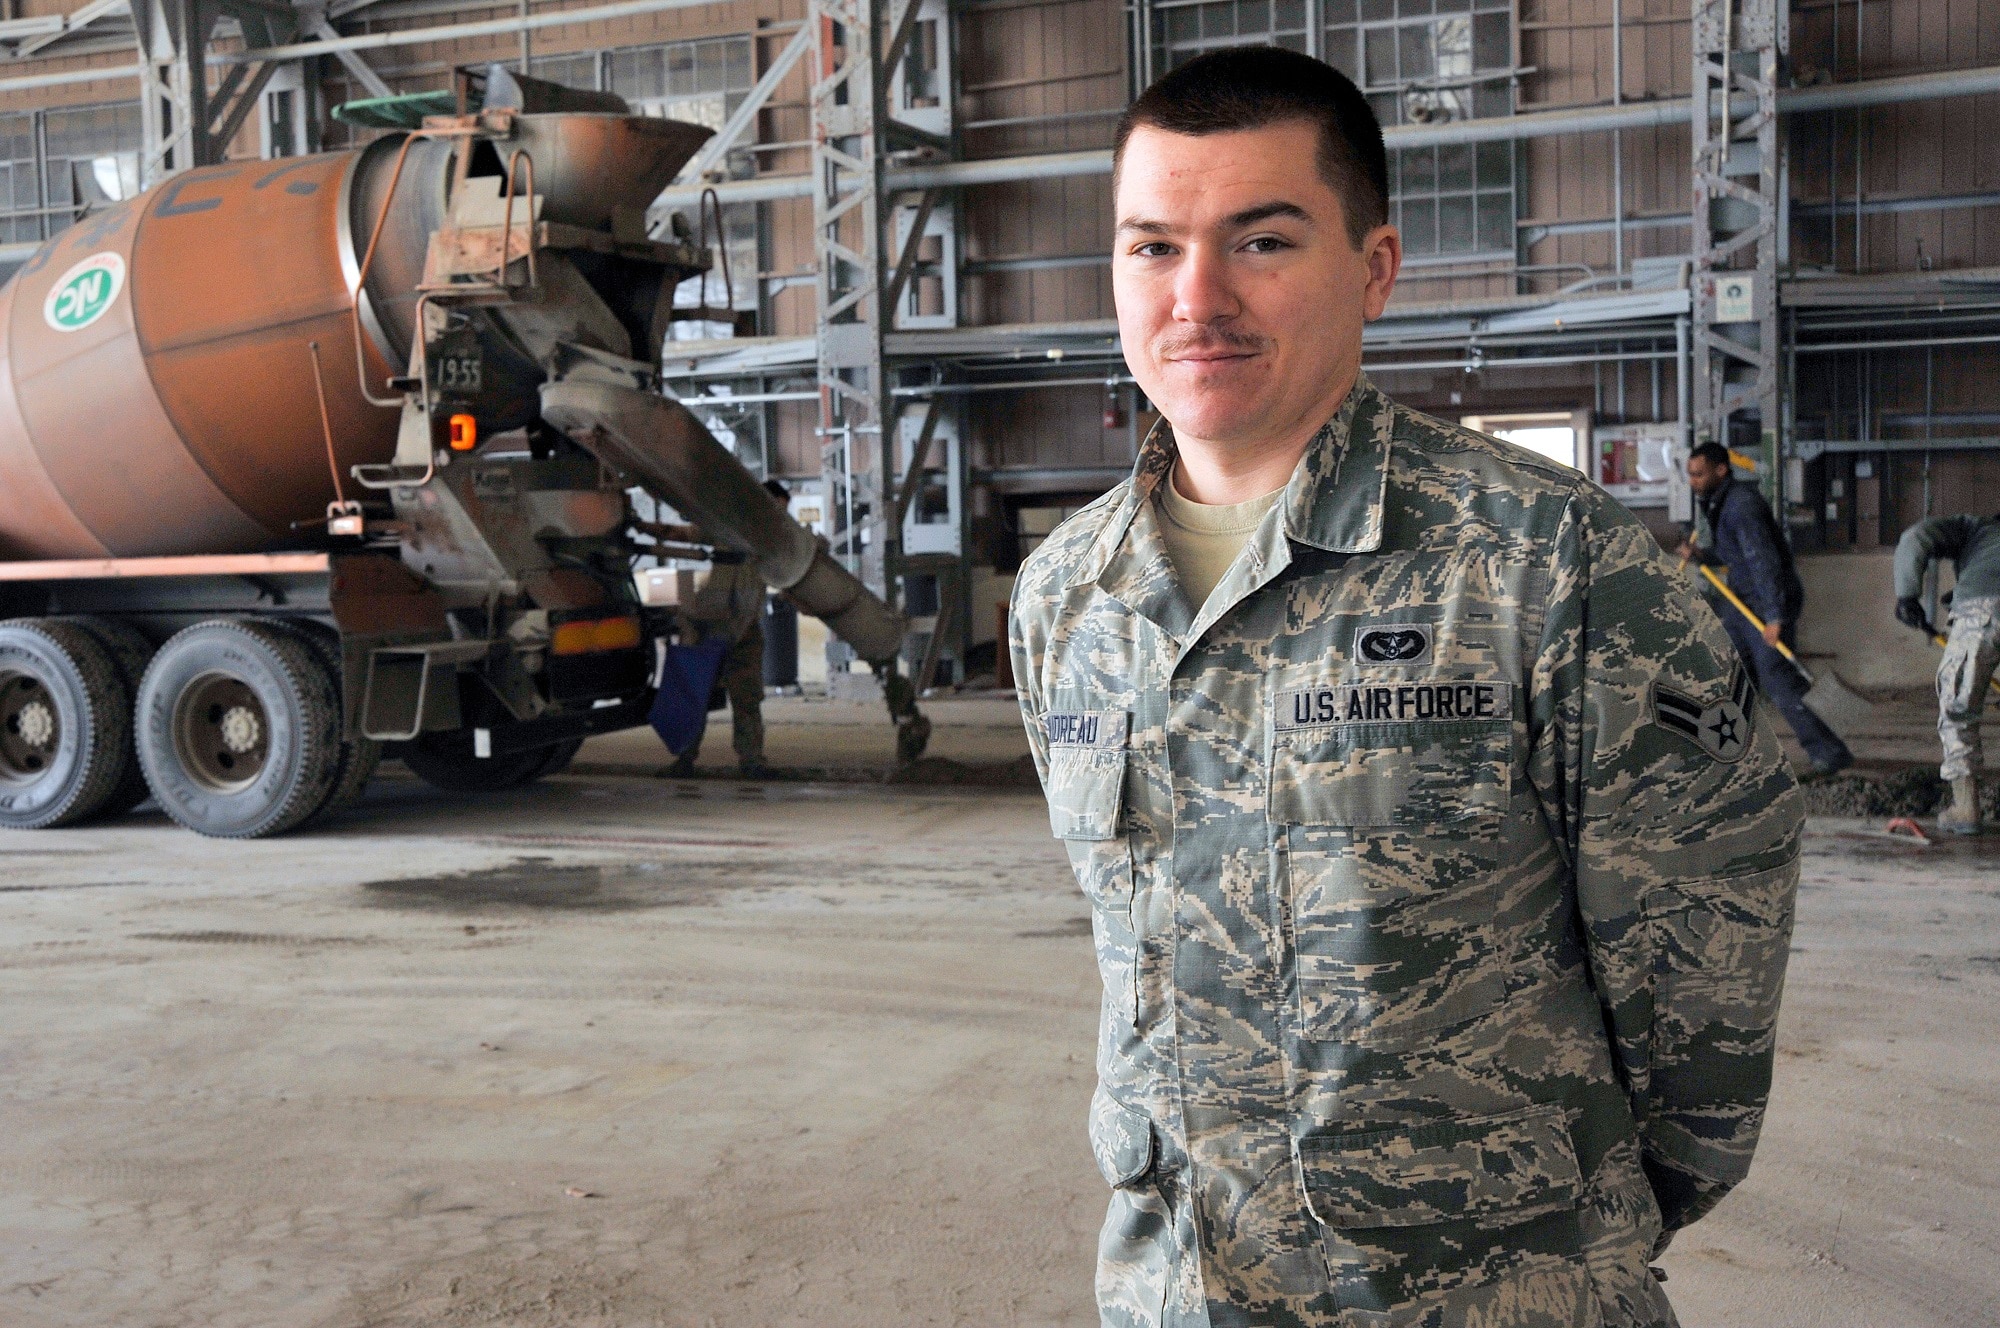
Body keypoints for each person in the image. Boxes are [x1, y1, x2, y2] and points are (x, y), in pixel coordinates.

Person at [1007, 47, 1803, 1328]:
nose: (1194, 297)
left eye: (1259, 241)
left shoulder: (1552, 567)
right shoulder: (1065, 597)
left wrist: (1545, 1235)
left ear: (1373, 266)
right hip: (1175, 1291)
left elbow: (1698, 1004)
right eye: (1150, 247)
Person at [1677, 441, 1854, 775]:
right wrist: (1700, 556)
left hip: (1762, 602)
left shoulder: (1741, 506)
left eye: (1698, 474)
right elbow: (1736, 558)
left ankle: (1828, 751)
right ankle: (1732, 753)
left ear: (1721, 470)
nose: (1693, 482)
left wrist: (1774, 616)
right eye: (1690, 475)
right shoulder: (1721, 502)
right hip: (1740, 601)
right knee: (1733, 676)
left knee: (1778, 679)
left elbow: (1764, 561)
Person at [663, 479, 787, 780]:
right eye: (776, 510)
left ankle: (752, 761)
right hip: (709, 627)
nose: (779, 518)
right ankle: (684, 759)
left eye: (782, 513)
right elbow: (687, 533)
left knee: (747, 700)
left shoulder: (774, 542)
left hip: (744, 630)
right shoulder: (726, 529)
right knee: (696, 696)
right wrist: (647, 528)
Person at [1892, 513, 2000, 833]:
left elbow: (1915, 537)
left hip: (1982, 611)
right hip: (1982, 604)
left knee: (1958, 710)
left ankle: (1966, 809)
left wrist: (1906, 595)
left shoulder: (1975, 528)